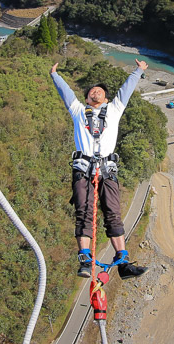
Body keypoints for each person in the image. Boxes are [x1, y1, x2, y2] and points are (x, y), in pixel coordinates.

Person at [50, 59, 149, 280]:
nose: (95, 92)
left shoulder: (114, 109)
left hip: (106, 168)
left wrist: (139, 70)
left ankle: (123, 262)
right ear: (87, 98)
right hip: (83, 168)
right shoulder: (78, 110)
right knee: (83, 212)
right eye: (92, 91)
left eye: (99, 91)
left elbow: (126, 89)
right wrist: (55, 75)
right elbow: (66, 93)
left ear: (105, 97)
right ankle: (85, 260)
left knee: (113, 213)